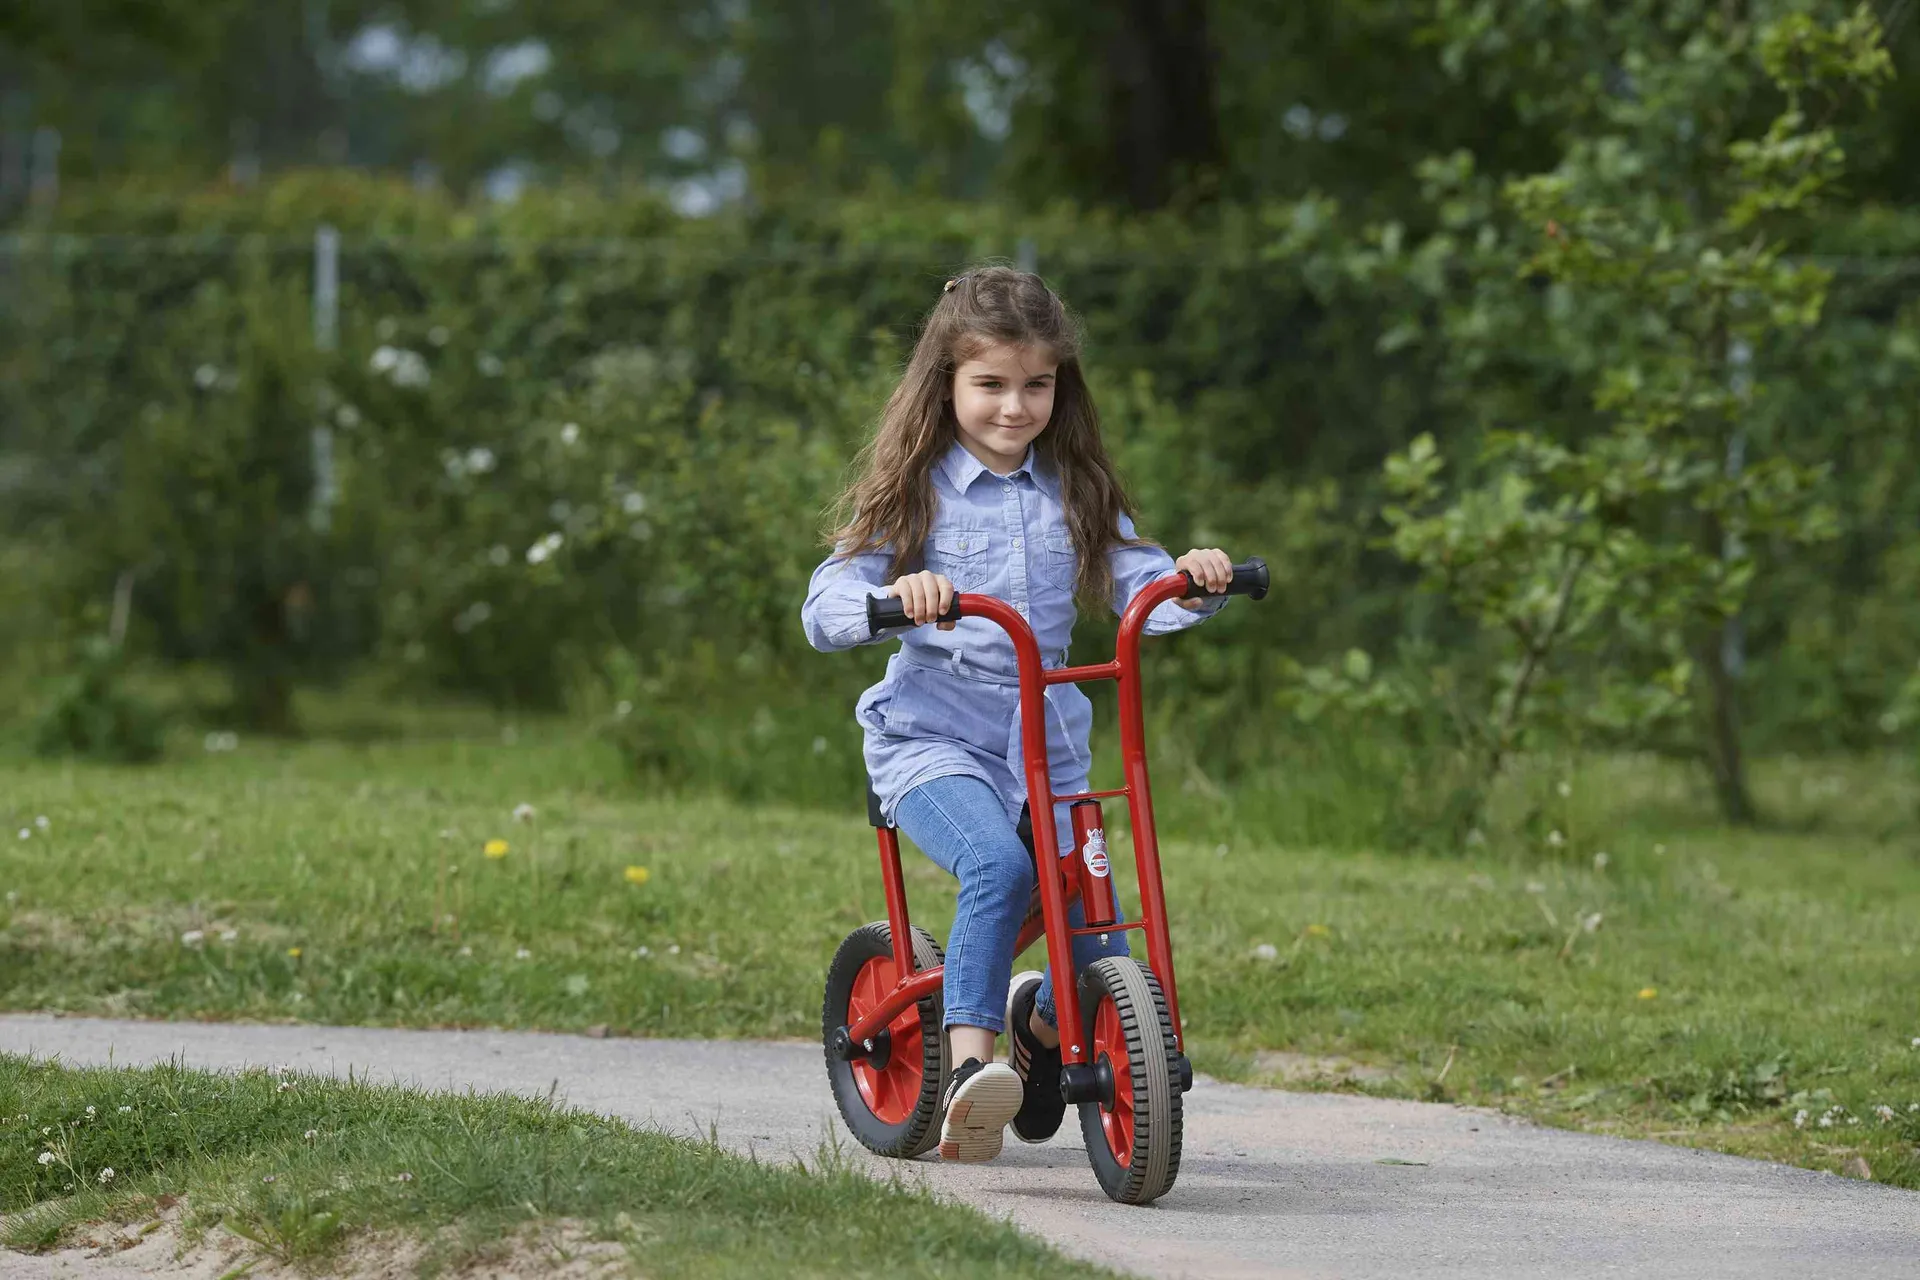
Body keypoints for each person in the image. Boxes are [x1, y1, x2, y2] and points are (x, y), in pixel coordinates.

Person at [801, 266, 1234, 1163]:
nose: (1014, 406)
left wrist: (1193, 579)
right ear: (948, 385)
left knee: (1094, 936)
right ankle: (968, 1072)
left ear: (1059, 388)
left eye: (1036, 385)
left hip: (1052, 753)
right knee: (997, 866)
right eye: (990, 385)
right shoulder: (915, 493)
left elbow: (1141, 583)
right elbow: (828, 604)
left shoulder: (1076, 490)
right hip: (933, 743)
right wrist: (898, 595)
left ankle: (1039, 1028)